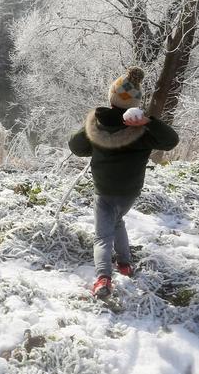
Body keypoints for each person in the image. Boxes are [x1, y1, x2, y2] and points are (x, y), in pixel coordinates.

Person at [68, 67, 179, 298]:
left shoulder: (98, 125)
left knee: (102, 235)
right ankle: (125, 263)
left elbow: (76, 147)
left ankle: (102, 278)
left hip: (104, 191)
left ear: (111, 98)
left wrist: (90, 122)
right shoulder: (142, 130)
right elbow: (171, 141)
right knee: (118, 221)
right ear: (134, 103)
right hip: (130, 192)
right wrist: (149, 121)